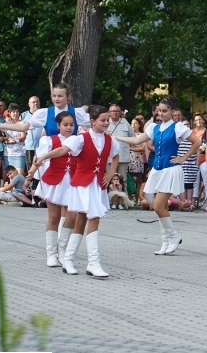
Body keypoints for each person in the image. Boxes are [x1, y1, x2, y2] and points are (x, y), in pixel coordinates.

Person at [34, 105, 120, 278]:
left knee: (81, 221)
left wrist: (110, 173)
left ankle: (68, 259)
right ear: (92, 121)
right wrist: (43, 157)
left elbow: (115, 155)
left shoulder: (110, 140)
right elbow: (62, 150)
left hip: (97, 185)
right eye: (102, 120)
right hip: (81, 184)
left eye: (107, 120)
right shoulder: (81, 139)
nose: (106, 123)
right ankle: (93, 263)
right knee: (91, 219)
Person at [112, 97, 201, 255]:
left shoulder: (178, 127)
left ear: (173, 112)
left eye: (164, 111)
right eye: (159, 110)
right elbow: (137, 139)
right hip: (158, 170)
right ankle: (165, 241)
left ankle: (173, 236)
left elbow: (196, 142)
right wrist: (117, 138)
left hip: (170, 169)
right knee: (160, 207)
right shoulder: (154, 127)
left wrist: (183, 157)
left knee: (158, 206)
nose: (161, 113)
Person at [23, 111, 77, 267]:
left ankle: (62, 251)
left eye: (71, 125)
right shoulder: (49, 140)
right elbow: (37, 161)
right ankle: (51, 254)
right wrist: (31, 173)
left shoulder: (79, 140)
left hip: (73, 182)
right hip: (54, 181)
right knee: (54, 218)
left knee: (71, 218)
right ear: (58, 125)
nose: (69, 128)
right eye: (65, 125)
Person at [107, 103, 133, 179]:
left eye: (117, 111)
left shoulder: (125, 122)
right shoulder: (106, 122)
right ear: (109, 112)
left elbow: (132, 136)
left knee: (123, 179)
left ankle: (123, 191)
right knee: (110, 178)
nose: (114, 113)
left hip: (123, 156)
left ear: (120, 112)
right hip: (109, 157)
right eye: (112, 111)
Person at [3, 104, 26, 175]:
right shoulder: (6, 124)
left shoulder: (22, 123)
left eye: (17, 111)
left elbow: (23, 137)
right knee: (8, 177)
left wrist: (15, 140)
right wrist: (7, 140)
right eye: (13, 112)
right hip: (8, 154)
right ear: (9, 113)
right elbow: (3, 138)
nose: (15, 113)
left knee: (19, 176)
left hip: (19, 153)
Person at [128, 118, 147, 201]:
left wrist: (131, 149)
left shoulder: (142, 135)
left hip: (138, 159)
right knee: (130, 179)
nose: (133, 125)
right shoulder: (128, 135)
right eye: (132, 123)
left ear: (139, 125)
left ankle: (139, 197)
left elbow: (143, 148)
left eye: (135, 123)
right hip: (129, 159)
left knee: (139, 179)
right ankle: (131, 197)